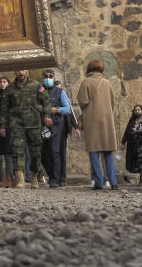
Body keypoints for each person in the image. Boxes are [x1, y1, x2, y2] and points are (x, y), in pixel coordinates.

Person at [0, 70, 51, 189]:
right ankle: (20, 179)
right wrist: (3, 126)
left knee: (35, 153)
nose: (21, 72)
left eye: (23, 70)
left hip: (34, 124)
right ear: (15, 72)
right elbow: (4, 109)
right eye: (19, 70)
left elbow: (46, 101)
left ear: (27, 71)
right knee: (17, 151)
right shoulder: (10, 89)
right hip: (17, 124)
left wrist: (47, 116)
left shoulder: (36, 85)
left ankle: (34, 177)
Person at [76, 60, 118, 191]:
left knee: (93, 152)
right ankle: (113, 182)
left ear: (89, 69)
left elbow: (82, 101)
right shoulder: (107, 83)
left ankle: (99, 181)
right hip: (107, 122)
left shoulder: (86, 82)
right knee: (108, 153)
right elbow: (112, 103)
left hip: (92, 121)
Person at [41, 69, 71, 188]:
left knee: (54, 151)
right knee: (43, 153)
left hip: (56, 124)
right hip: (42, 124)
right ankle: (50, 175)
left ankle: (55, 179)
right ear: (42, 78)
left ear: (53, 78)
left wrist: (57, 110)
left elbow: (67, 109)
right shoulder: (40, 90)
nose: (48, 78)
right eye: (46, 76)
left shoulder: (60, 91)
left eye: (50, 76)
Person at [54, 80, 79, 187]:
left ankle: (62, 178)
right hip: (54, 128)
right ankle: (54, 177)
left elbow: (71, 114)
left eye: (60, 88)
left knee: (62, 154)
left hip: (64, 130)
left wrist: (76, 127)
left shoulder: (65, 100)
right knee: (54, 153)